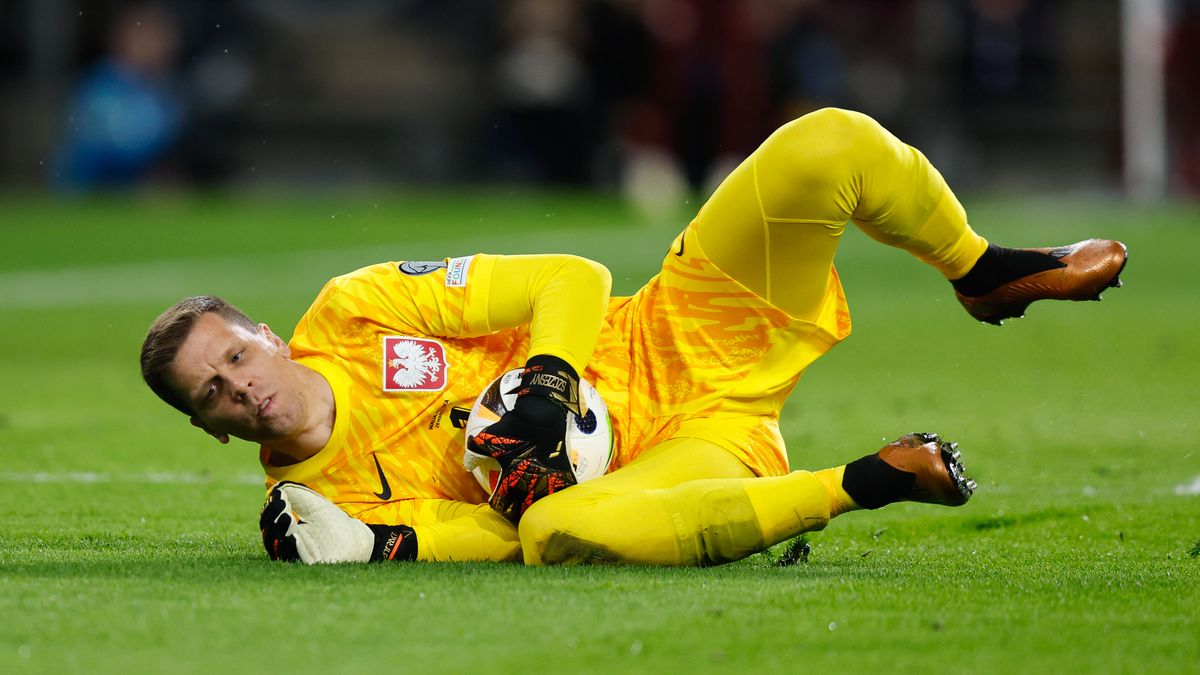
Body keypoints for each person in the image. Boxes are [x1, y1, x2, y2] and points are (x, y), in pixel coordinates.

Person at [140, 108, 1126, 566]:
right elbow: (493, 534)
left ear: (264, 335)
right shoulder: (315, 505)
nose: (241, 388)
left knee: (826, 143)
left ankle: (980, 268)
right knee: (565, 532)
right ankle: (866, 481)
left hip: (678, 329)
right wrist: (384, 547)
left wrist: (548, 380)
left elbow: (573, 278)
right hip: (674, 456)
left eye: (234, 357)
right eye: (212, 396)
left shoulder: (354, 309)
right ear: (211, 430)